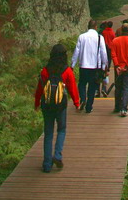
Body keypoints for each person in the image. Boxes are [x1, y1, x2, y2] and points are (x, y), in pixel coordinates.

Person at [34, 43, 80, 173]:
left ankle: (47, 164)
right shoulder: (67, 71)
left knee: (48, 133)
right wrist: (77, 103)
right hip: (60, 105)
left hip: (47, 105)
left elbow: (39, 89)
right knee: (61, 129)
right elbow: (72, 88)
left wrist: (37, 103)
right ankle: (58, 155)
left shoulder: (45, 70)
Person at [71, 18, 109, 113]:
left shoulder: (81, 37)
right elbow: (103, 53)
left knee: (82, 84)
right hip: (95, 67)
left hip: (83, 65)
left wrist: (72, 64)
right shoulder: (100, 38)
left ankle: (83, 98)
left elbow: (77, 51)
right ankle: (89, 106)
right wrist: (105, 66)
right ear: (96, 27)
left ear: (88, 27)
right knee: (92, 87)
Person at [111, 23, 128, 117]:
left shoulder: (115, 41)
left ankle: (117, 106)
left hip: (118, 69)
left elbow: (113, 54)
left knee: (118, 87)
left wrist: (117, 66)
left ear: (121, 30)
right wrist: (126, 66)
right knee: (126, 88)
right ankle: (124, 109)